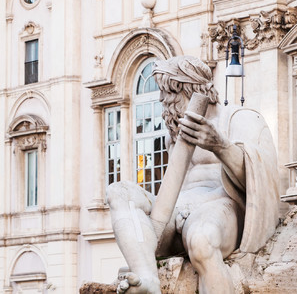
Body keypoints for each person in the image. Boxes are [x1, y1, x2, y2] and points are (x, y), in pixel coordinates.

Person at [107, 56, 279, 294]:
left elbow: (260, 174)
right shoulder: (175, 133)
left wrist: (220, 146)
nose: (161, 99)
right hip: (177, 213)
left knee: (201, 240)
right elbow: (172, 186)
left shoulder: (239, 118)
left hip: (220, 207)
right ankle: (148, 279)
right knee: (118, 192)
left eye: (168, 92)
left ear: (190, 89)